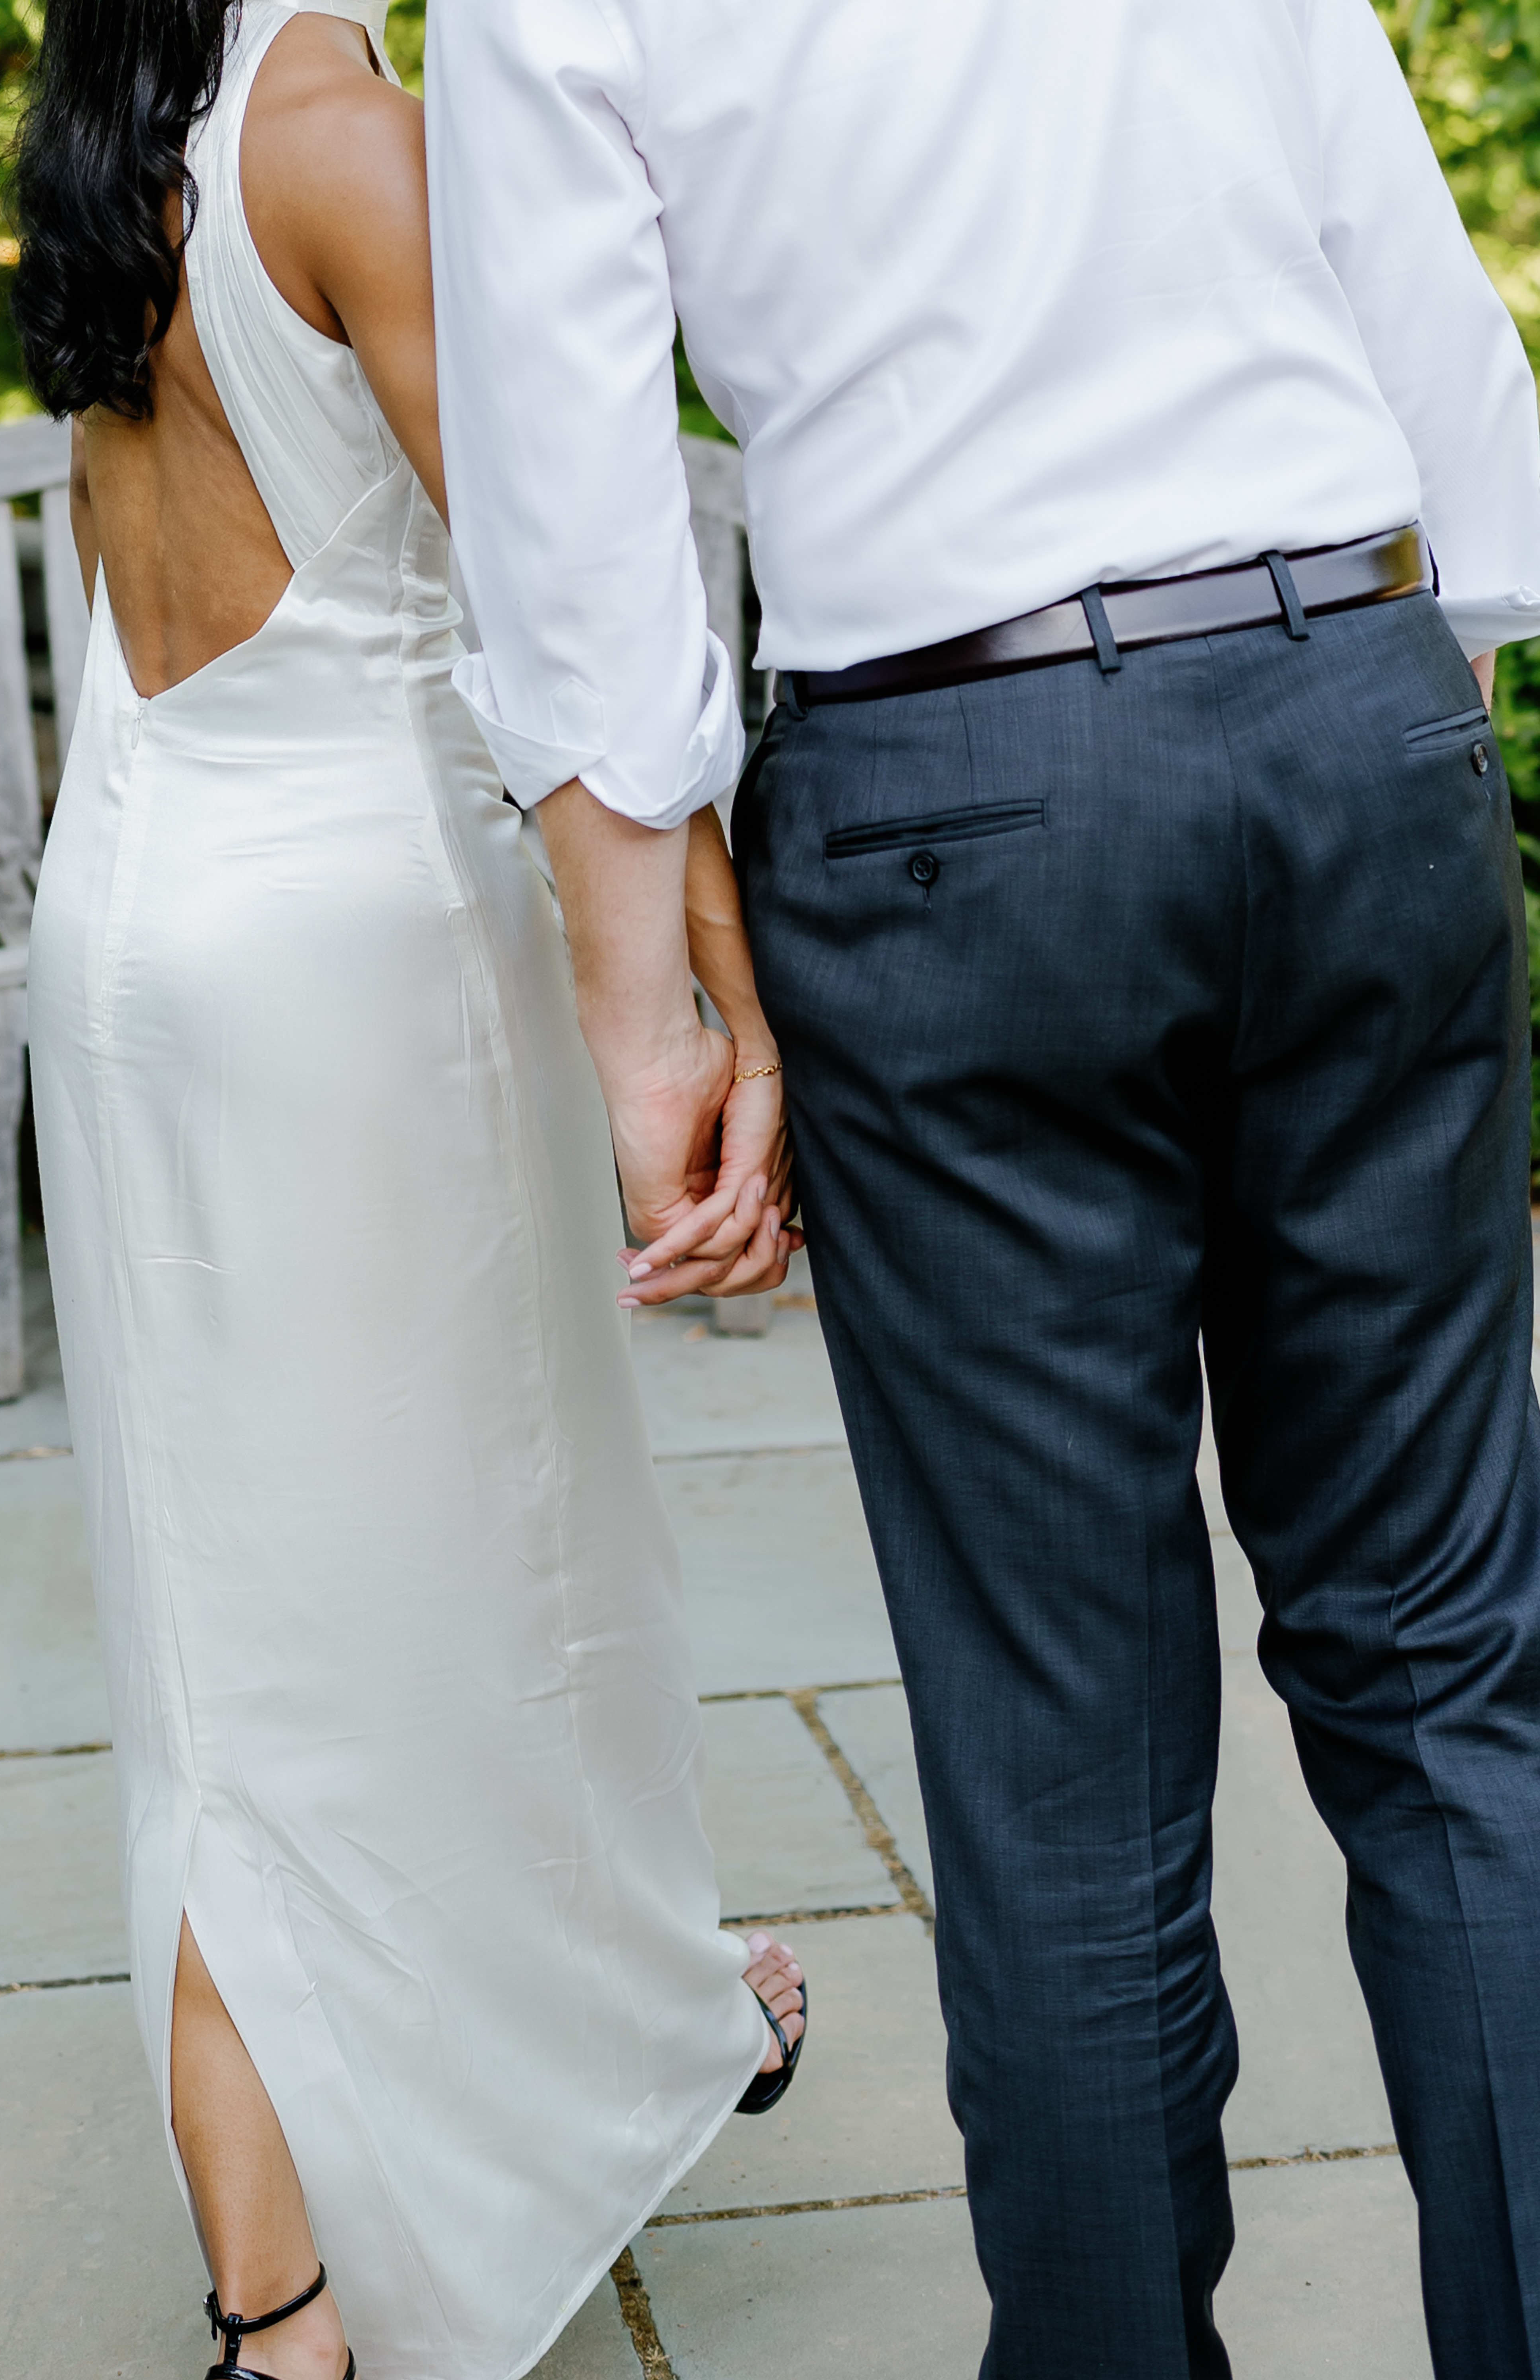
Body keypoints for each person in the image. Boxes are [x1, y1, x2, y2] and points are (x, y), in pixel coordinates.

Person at [425, 1, 1540, 2373]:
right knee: (1454, 1675)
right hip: (1357, 690)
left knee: (1062, 1740)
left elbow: (579, 515)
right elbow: (1418, 306)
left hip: (960, 783)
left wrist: (657, 1035)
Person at [8, 2, 809, 2374]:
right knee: (451, 1560)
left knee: (226, 1621)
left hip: (128, 923)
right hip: (347, 950)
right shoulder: (353, 143)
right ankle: (299, 2308)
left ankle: (521, 2091)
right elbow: (567, 626)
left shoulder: (102, 162)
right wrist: (732, 998)